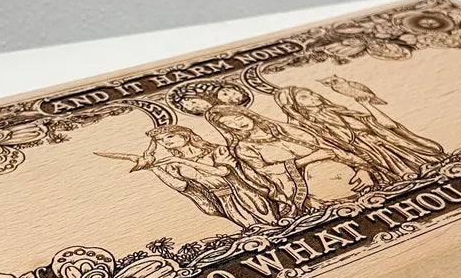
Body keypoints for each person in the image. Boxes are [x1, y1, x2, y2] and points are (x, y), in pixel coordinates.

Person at [205, 105, 373, 216]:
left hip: (351, 177)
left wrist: (363, 170)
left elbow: (331, 149)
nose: (238, 124)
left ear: (246, 114)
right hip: (305, 188)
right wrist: (309, 159)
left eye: (237, 118)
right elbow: (266, 171)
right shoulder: (244, 147)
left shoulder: (287, 129)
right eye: (230, 124)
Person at [276, 85, 443, 182]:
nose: (314, 96)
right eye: (304, 97)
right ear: (296, 106)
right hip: (368, 154)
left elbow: (388, 125)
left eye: (311, 93)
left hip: (388, 143)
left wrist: (367, 105)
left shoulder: (342, 112)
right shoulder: (309, 128)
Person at [137, 126, 277, 227]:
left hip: (244, 193)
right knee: (252, 229)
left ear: (185, 135)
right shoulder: (173, 164)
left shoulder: (217, 150)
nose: (165, 141)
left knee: (272, 223)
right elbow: (181, 186)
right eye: (160, 140)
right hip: (222, 199)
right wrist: (154, 169)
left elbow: (223, 172)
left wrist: (182, 161)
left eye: (170, 136)